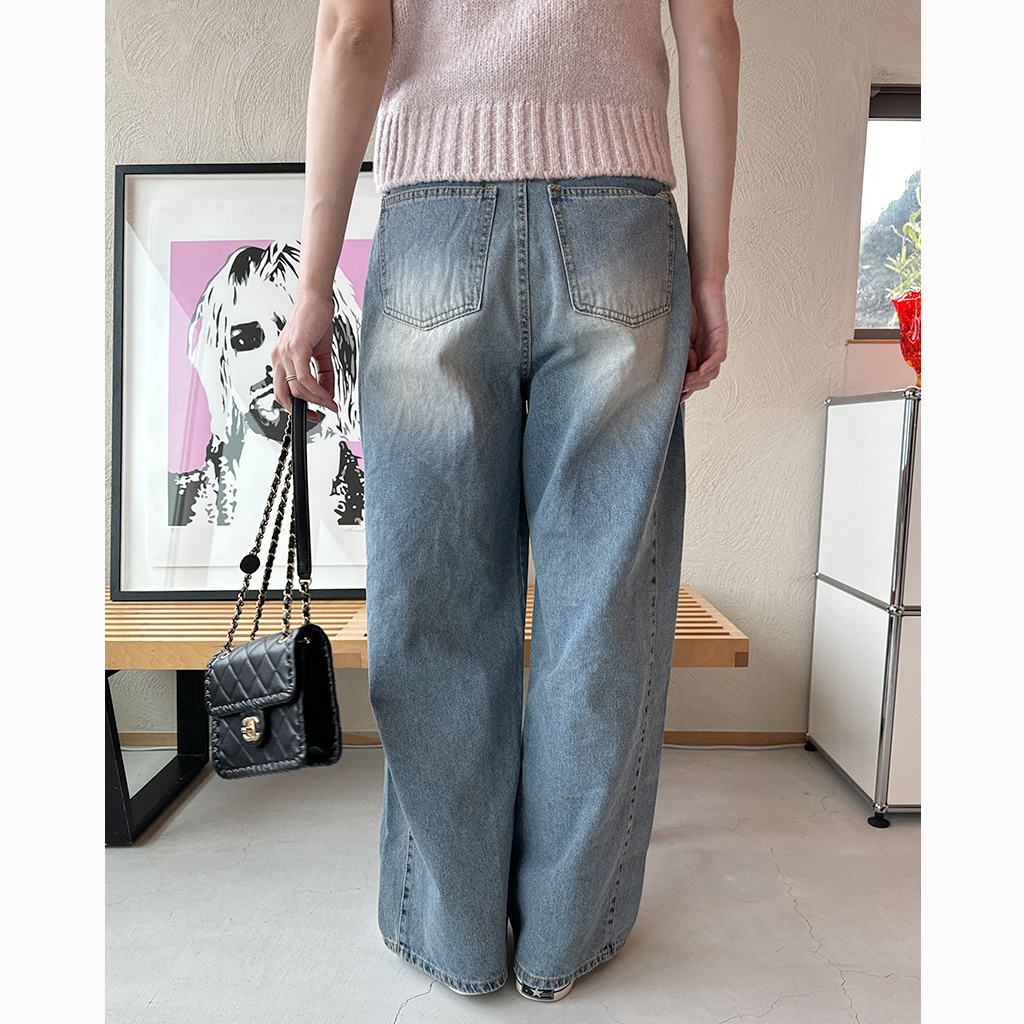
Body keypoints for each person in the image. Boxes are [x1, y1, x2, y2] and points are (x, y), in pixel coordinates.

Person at [270, 0, 739, 1002]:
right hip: (620, 216)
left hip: (434, 215)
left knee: (434, 602)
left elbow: (351, 33)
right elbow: (708, 33)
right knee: (601, 606)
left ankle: (456, 936)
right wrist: (709, 270)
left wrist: (312, 286)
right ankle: (565, 938)